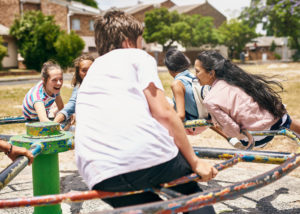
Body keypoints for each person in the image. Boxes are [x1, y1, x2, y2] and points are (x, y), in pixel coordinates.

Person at [75, 10, 218, 213]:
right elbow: (164, 113)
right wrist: (195, 162)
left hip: (98, 172)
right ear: (128, 41)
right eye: (141, 40)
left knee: (150, 208)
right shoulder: (136, 56)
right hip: (147, 156)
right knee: (193, 197)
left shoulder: (93, 70)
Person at [195, 50, 300, 148]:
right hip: (275, 121)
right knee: (285, 118)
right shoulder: (237, 78)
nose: (195, 76)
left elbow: (232, 129)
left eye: (197, 71)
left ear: (211, 73)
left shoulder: (210, 99)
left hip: (256, 137)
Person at [164, 49, 239, 146]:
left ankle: (170, 143)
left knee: (165, 100)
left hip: (192, 125)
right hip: (207, 121)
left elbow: (181, 115)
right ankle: (230, 137)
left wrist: (164, 124)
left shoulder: (177, 84)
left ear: (170, 69)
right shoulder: (195, 77)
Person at [54, 54, 94, 129]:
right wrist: (53, 124)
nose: (88, 73)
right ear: (78, 72)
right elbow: (71, 105)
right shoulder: (79, 87)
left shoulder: (103, 84)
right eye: (84, 70)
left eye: (91, 69)